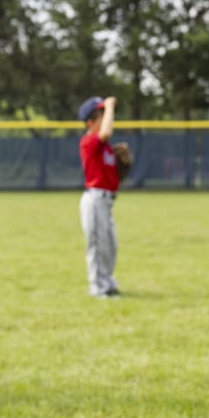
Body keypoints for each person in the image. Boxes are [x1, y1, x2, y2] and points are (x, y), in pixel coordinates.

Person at [77, 95, 122, 298]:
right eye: (101, 116)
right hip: (94, 200)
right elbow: (105, 133)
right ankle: (97, 286)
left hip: (106, 201)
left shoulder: (104, 147)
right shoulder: (88, 141)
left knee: (110, 245)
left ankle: (108, 282)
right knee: (96, 245)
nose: (105, 119)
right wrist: (110, 106)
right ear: (90, 123)